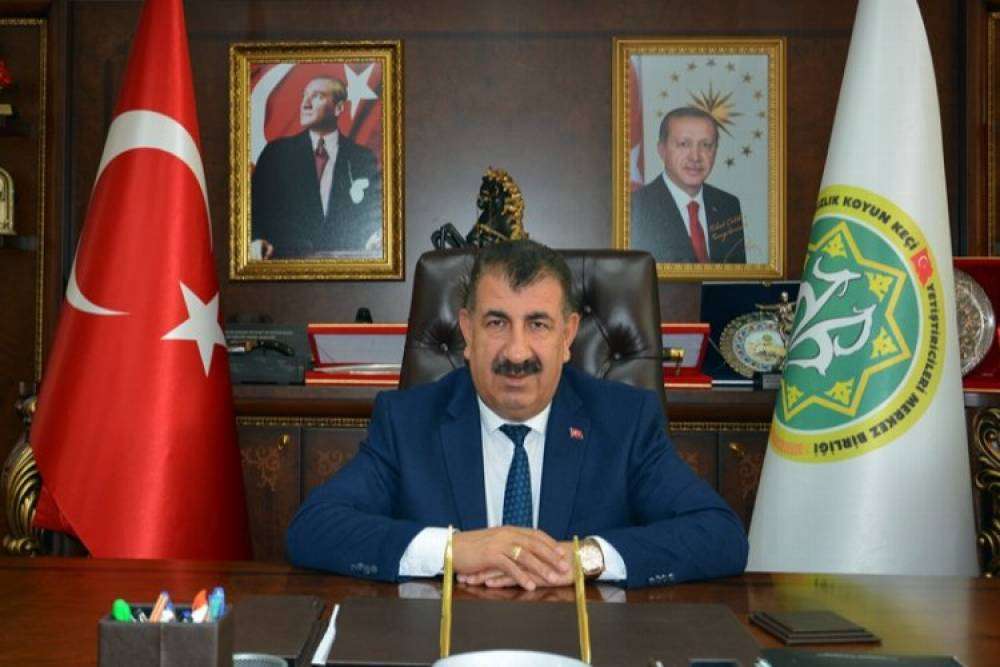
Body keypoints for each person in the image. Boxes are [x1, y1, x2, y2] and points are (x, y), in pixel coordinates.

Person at [286, 240, 748, 589]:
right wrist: (453, 550)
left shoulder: (624, 423)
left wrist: (581, 559)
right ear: (467, 331)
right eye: (496, 323)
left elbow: (720, 535)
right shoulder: (408, 422)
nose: (517, 352)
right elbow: (313, 528)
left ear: (568, 335)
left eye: (538, 324)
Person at [251, 75, 381, 259]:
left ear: (338, 108)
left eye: (317, 96)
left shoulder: (362, 158)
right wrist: (254, 240)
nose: (306, 104)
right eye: (304, 96)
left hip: (345, 269)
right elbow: (253, 210)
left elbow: (372, 216)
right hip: (285, 266)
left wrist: (375, 238)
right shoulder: (276, 154)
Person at [631, 106, 746, 264]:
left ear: (715, 151)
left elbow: (736, 276)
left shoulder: (728, 205)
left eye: (706, 145)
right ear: (662, 150)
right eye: (684, 144)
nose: (695, 157)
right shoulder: (636, 207)